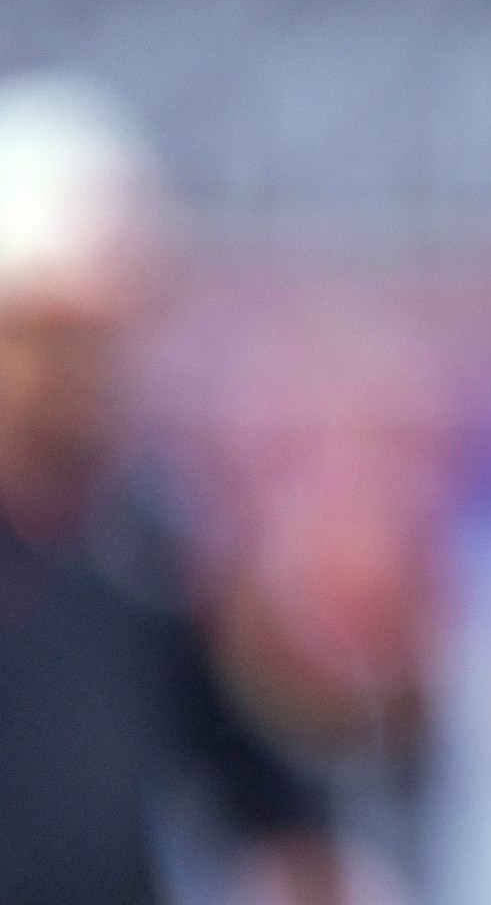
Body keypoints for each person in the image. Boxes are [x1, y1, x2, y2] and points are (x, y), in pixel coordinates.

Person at [0, 76, 340, 905]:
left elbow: (259, 785)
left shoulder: (134, 546)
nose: (89, 375)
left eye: (106, 339)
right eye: (57, 339)